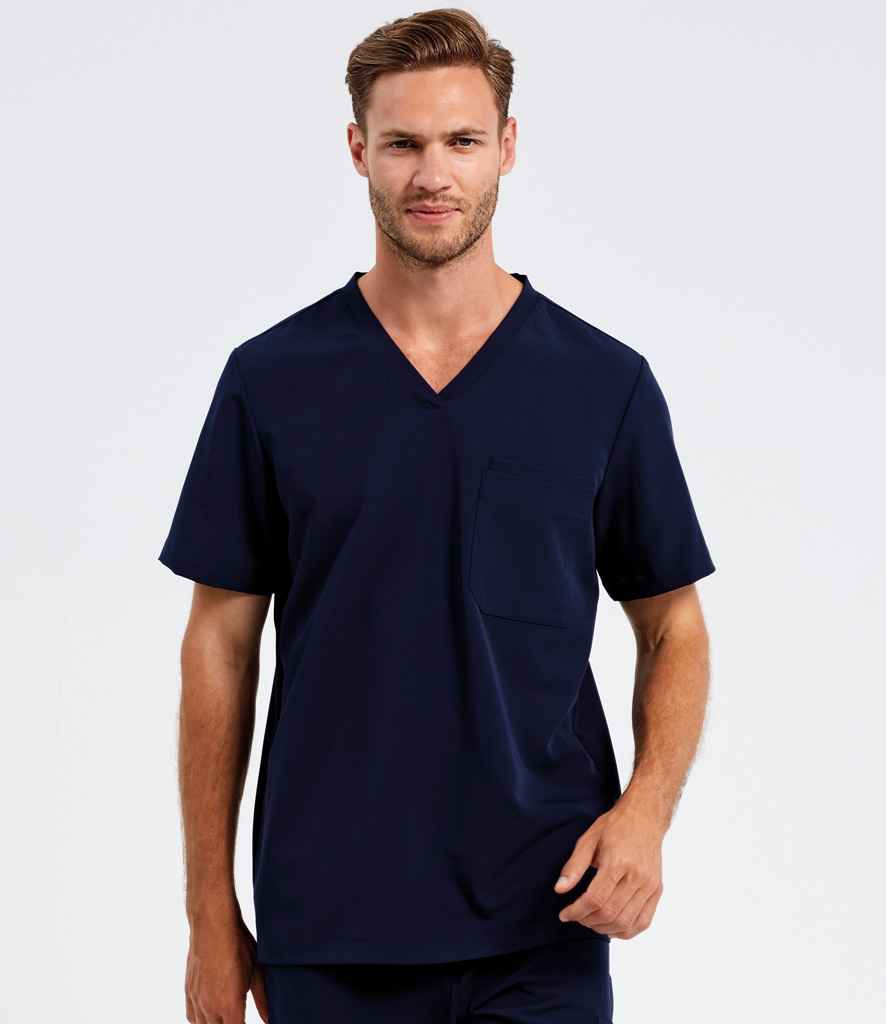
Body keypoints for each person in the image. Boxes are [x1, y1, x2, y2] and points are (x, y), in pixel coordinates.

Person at [158, 8, 716, 1023]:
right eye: (403, 143)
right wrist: (208, 911)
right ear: (357, 149)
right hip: (330, 921)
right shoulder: (272, 382)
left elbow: (673, 621)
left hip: (547, 914)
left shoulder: (602, 384)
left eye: (461, 141)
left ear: (507, 145)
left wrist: (645, 814)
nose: (432, 174)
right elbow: (219, 646)